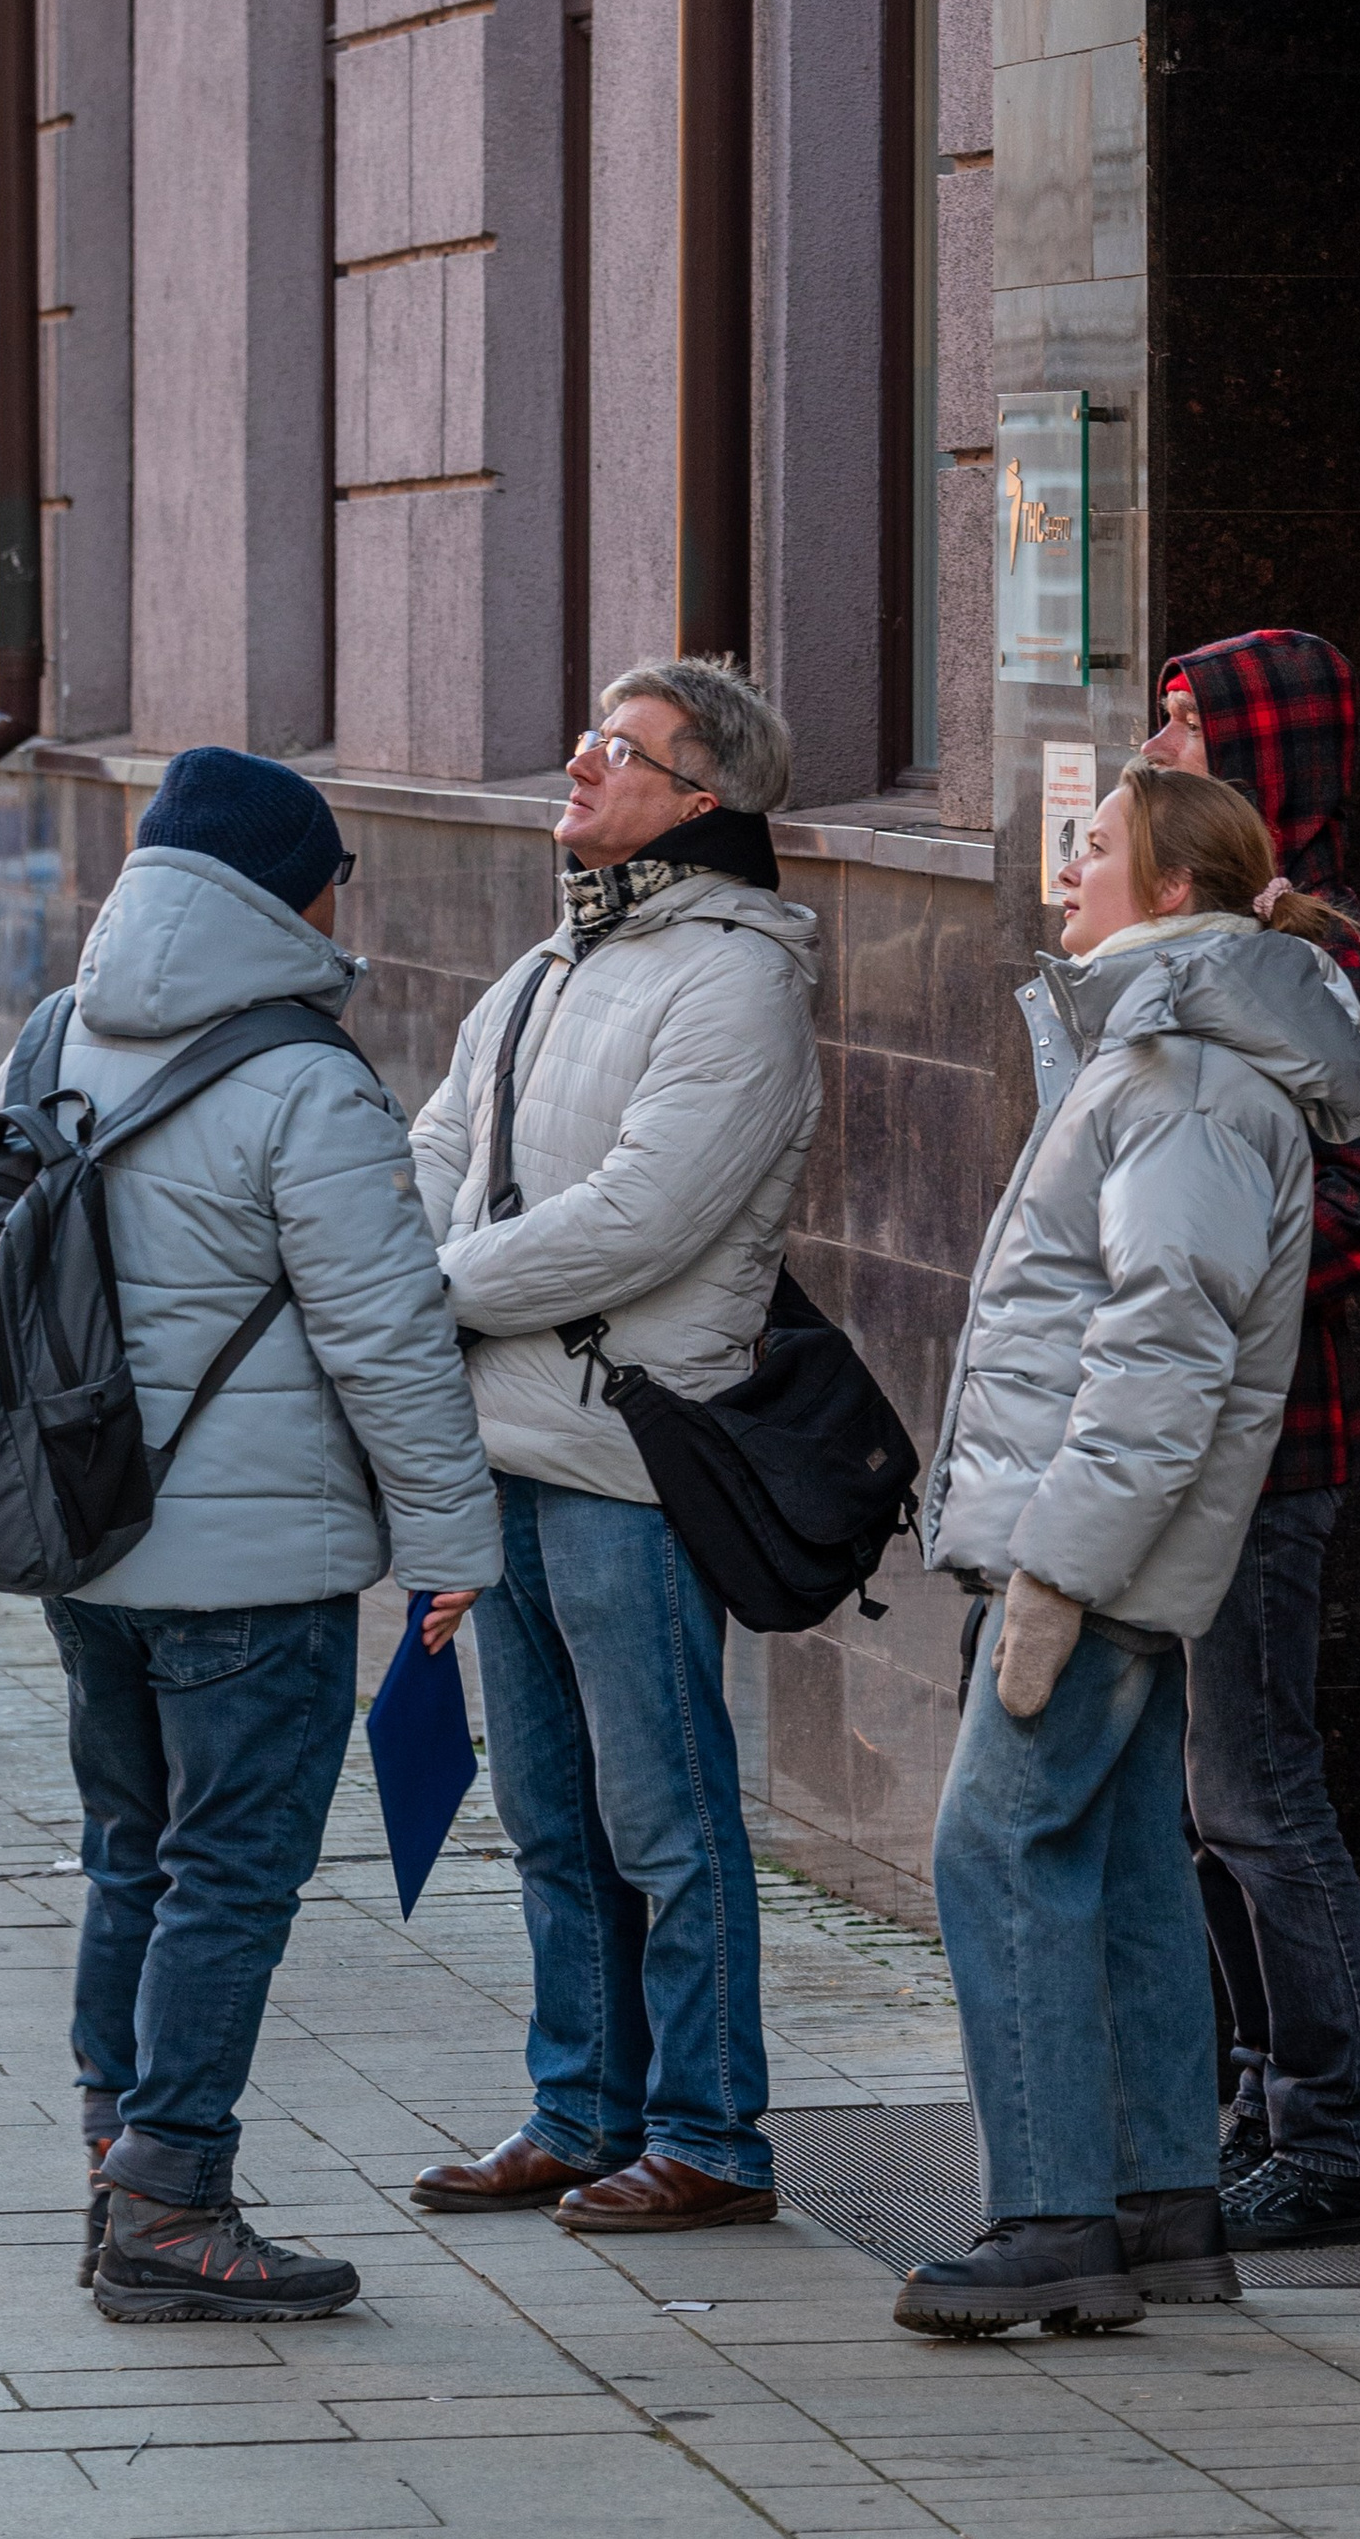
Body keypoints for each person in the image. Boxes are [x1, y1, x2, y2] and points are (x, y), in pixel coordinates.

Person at [894, 761, 1360, 2336]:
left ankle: (1051, 2212)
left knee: (997, 1846)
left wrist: (1056, 1572)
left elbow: (1163, 1358)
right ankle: (1165, 2209)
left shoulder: (1180, 1074)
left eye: (1095, 845)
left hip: (1092, 1554)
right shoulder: (1175, 1053)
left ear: (1177, 891)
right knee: (1116, 1861)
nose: (1068, 865)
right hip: (1107, 1544)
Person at [25, 746, 503, 2324]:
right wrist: (450, 1546)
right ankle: (170, 2200)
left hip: (86, 1548)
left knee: (132, 1854)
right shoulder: (306, 1078)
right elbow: (390, 1337)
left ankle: (119, 2155)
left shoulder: (55, 1035)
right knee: (231, 1874)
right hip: (257, 1571)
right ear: (286, 892)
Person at [408, 659, 822, 2234]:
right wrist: (386, 1266)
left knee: (665, 1811)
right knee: (548, 1811)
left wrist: (423, 1291)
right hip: (502, 1444)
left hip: (628, 1461)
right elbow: (440, 1146)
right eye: (584, 732)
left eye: (620, 748)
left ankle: (713, 2132)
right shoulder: (550, 964)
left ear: (702, 798)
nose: (579, 762)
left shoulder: (737, 977)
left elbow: (644, 1219)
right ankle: (581, 2108)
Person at [1145, 629, 1360, 2249]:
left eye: (1193, 723)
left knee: (1257, 1792)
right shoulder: (1192, 936)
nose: (1164, 741)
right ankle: (1260, 2100)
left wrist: (1198, 1263)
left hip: (1273, 1435)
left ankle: (1336, 2139)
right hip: (1190, 1432)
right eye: (1163, 715)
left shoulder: (1327, 954)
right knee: (1205, 1798)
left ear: (1271, 755)